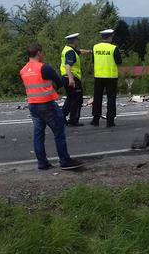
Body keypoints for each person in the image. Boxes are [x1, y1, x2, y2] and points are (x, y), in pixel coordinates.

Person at [19, 43, 83, 171]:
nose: (43, 55)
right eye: (42, 53)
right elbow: (59, 82)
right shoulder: (44, 68)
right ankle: (64, 160)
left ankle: (42, 163)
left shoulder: (23, 70)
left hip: (33, 105)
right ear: (38, 53)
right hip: (47, 104)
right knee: (59, 133)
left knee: (38, 135)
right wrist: (52, 87)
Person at [91, 29, 122, 127]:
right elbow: (119, 62)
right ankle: (110, 121)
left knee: (97, 98)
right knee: (111, 99)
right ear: (109, 37)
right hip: (111, 76)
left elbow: (93, 61)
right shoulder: (113, 48)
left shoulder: (95, 47)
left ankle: (95, 119)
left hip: (98, 76)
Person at [60, 33, 91, 127]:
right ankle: (73, 120)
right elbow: (67, 65)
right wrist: (71, 79)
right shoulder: (70, 52)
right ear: (74, 41)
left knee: (71, 98)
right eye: (77, 40)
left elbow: (79, 51)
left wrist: (89, 52)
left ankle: (62, 117)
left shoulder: (68, 49)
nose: (78, 41)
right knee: (77, 99)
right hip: (72, 78)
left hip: (66, 77)